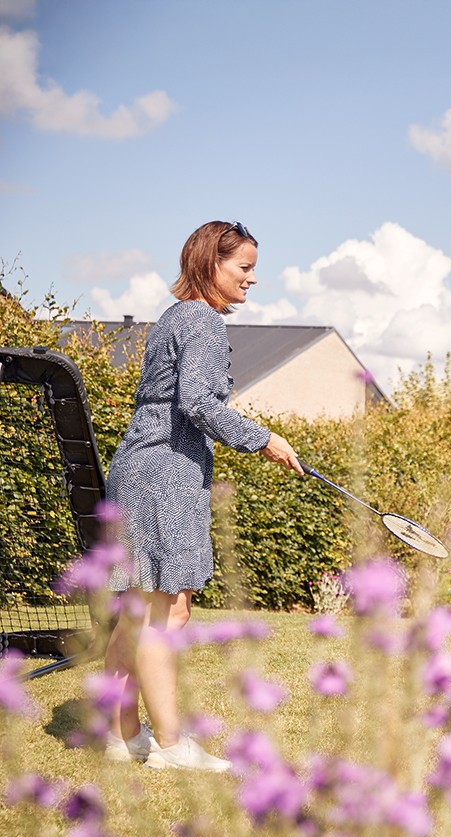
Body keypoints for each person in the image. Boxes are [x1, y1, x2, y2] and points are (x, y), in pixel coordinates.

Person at [103, 221, 303, 771]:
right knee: (164, 613)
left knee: (142, 611)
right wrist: (263, 439)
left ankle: (121, 736)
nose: (252, 278)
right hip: (165, 475)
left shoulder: (175, 316)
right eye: (244, 267)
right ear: (211, 264)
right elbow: (197, 401)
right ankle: (171, 746)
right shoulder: (203, 321)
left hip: (139, 470)